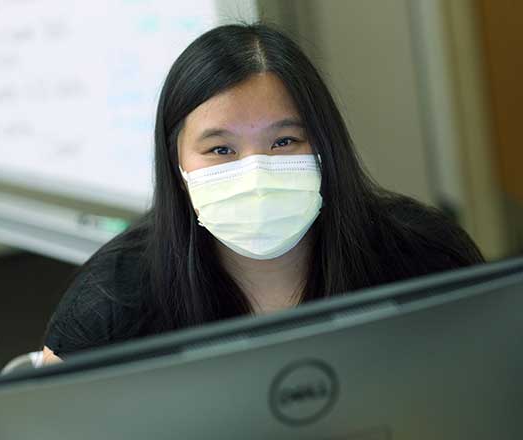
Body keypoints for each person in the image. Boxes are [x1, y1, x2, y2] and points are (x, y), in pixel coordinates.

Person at [40, 22, 484, 365]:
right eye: (220, 149)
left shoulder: (425, 258)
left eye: (284, 141)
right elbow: (45, 421)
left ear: (325, 147)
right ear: (178, 170)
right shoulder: (113, 299)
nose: (255, 170)